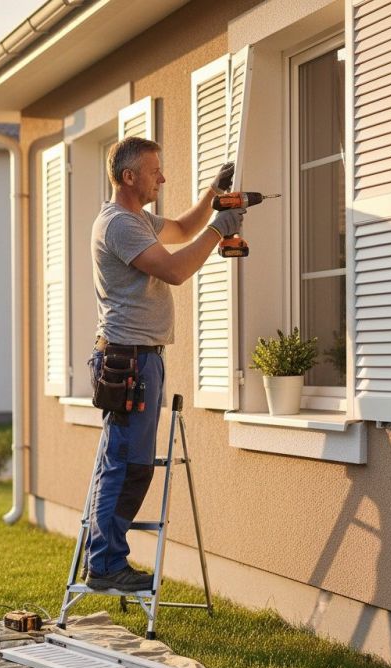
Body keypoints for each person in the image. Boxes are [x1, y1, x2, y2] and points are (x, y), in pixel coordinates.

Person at [85, 136, 244, 592]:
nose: (164, 177)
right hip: (128, 360)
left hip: (139, 356)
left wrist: (213, 197)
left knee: (127, 461)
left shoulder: (138, 219)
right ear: (130, 176)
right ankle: (105, 565)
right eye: (156, 171)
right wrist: (221, 229)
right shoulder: (119, 225)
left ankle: (105, 558)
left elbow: (180, 229)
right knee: (128, 464)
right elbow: (174, 269)